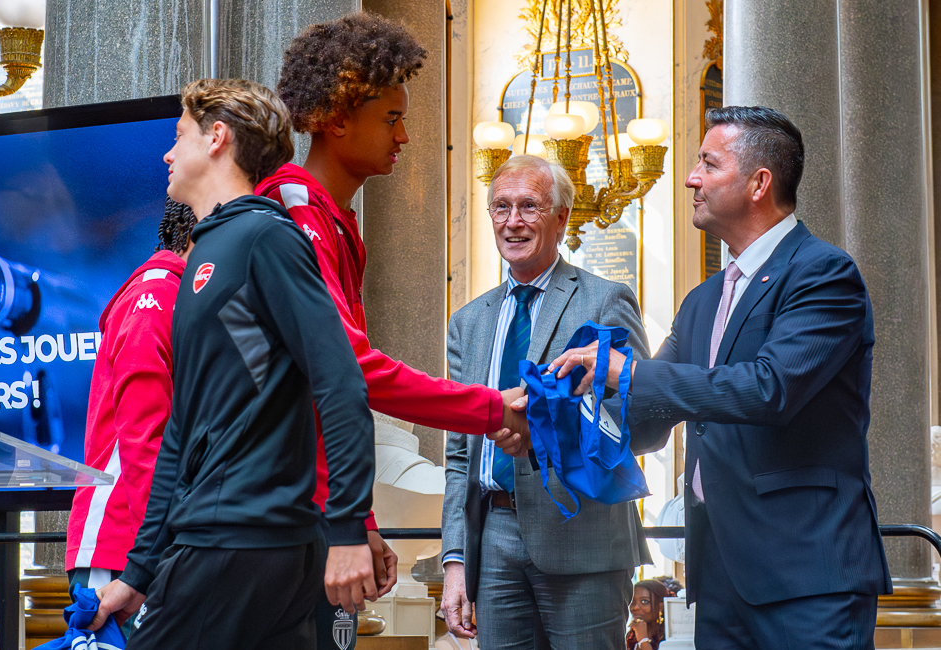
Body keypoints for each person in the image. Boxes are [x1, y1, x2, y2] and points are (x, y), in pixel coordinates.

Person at [506, 106, 892, 648]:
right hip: (718, 578)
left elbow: (769, 390)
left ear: (759, 183)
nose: (691, 178)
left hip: (807, 572)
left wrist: (627, 370)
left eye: (709, 164)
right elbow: (646, 418)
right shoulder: (703, 299)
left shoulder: (824, 274)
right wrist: (545, 426)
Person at [257, 14, 529, 647]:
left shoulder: (333, 219)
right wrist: (490, 409)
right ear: (335, 115)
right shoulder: (295, 211)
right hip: (278, 514)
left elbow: (338, 400)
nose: (404, 135)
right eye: (390, 118)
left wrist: (360, 518)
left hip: (314, 509)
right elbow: (350, 369)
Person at [88, 78, 377, 650]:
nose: (168, 154)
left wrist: (347, 528)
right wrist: (138, 573)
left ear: (217, 137)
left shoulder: (264, 238)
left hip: (238, 542)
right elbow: (186, 430)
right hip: (239, 541)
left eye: (179, 135)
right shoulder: (210, 253)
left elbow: (340, 381)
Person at [439, 155, 652, 648]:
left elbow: (641, 415)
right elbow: (459, 456)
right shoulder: (467, 323)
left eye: (529, 206)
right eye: (501, 207)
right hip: (494, 540)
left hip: (583, 536)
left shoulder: (605, 300)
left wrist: (549, 431)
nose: (512, 221)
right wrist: (455, 561)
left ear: (561, 217)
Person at [64, 195, 195, 598]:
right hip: (123, 545)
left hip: (153, 544)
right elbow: (143, 437)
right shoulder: (159, 293)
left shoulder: (184, 295)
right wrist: (156, 553)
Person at [626, 579, 668, 650]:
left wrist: (643, 640)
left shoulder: (668, 638)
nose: (635, 607)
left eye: (644, 601)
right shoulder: (631, 636)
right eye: (632, 601)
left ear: (661, 606)